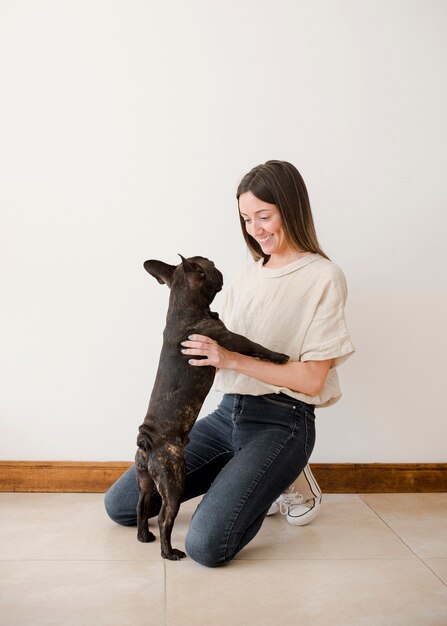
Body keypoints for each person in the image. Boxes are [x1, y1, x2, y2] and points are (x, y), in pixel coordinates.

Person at [104, 160, 354, 567]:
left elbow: (311, 380)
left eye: (264, 216)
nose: (255, 229)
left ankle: (284, 474)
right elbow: (212, 350)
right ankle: (251, 477)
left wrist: (230, 357)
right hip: (226, 416)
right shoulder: (246, 276)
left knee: (206, 547)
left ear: (291, 208)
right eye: (246, 218)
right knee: (121, 505)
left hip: (282, 420)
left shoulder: (324, 276)